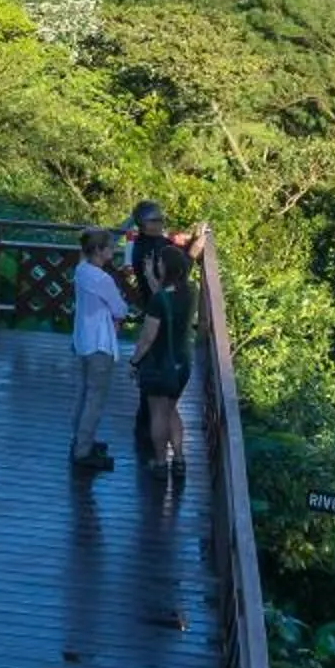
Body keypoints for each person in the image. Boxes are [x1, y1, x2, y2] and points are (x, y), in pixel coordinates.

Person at [126, 200, 202, 476]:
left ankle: (160, 461)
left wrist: (134, 362)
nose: (159, 224)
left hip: (159, 356)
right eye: (154, 220)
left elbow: (147, 337)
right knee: (171, 409)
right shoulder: (192, 292)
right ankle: (179, 459)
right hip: (182, 357)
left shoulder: (159, 297)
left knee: (157, 410)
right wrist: (193, 248)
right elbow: (179, 269)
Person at [67, 227, 124, 474]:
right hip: (100, 343)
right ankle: (83, 450)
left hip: (82, 339)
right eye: (110, 247)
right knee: (95, 398)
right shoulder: (102, 279)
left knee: (83, 393)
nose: (113, 250)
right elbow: (120, 308)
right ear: (99, 251)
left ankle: (80, 439)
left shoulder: (81, 270)